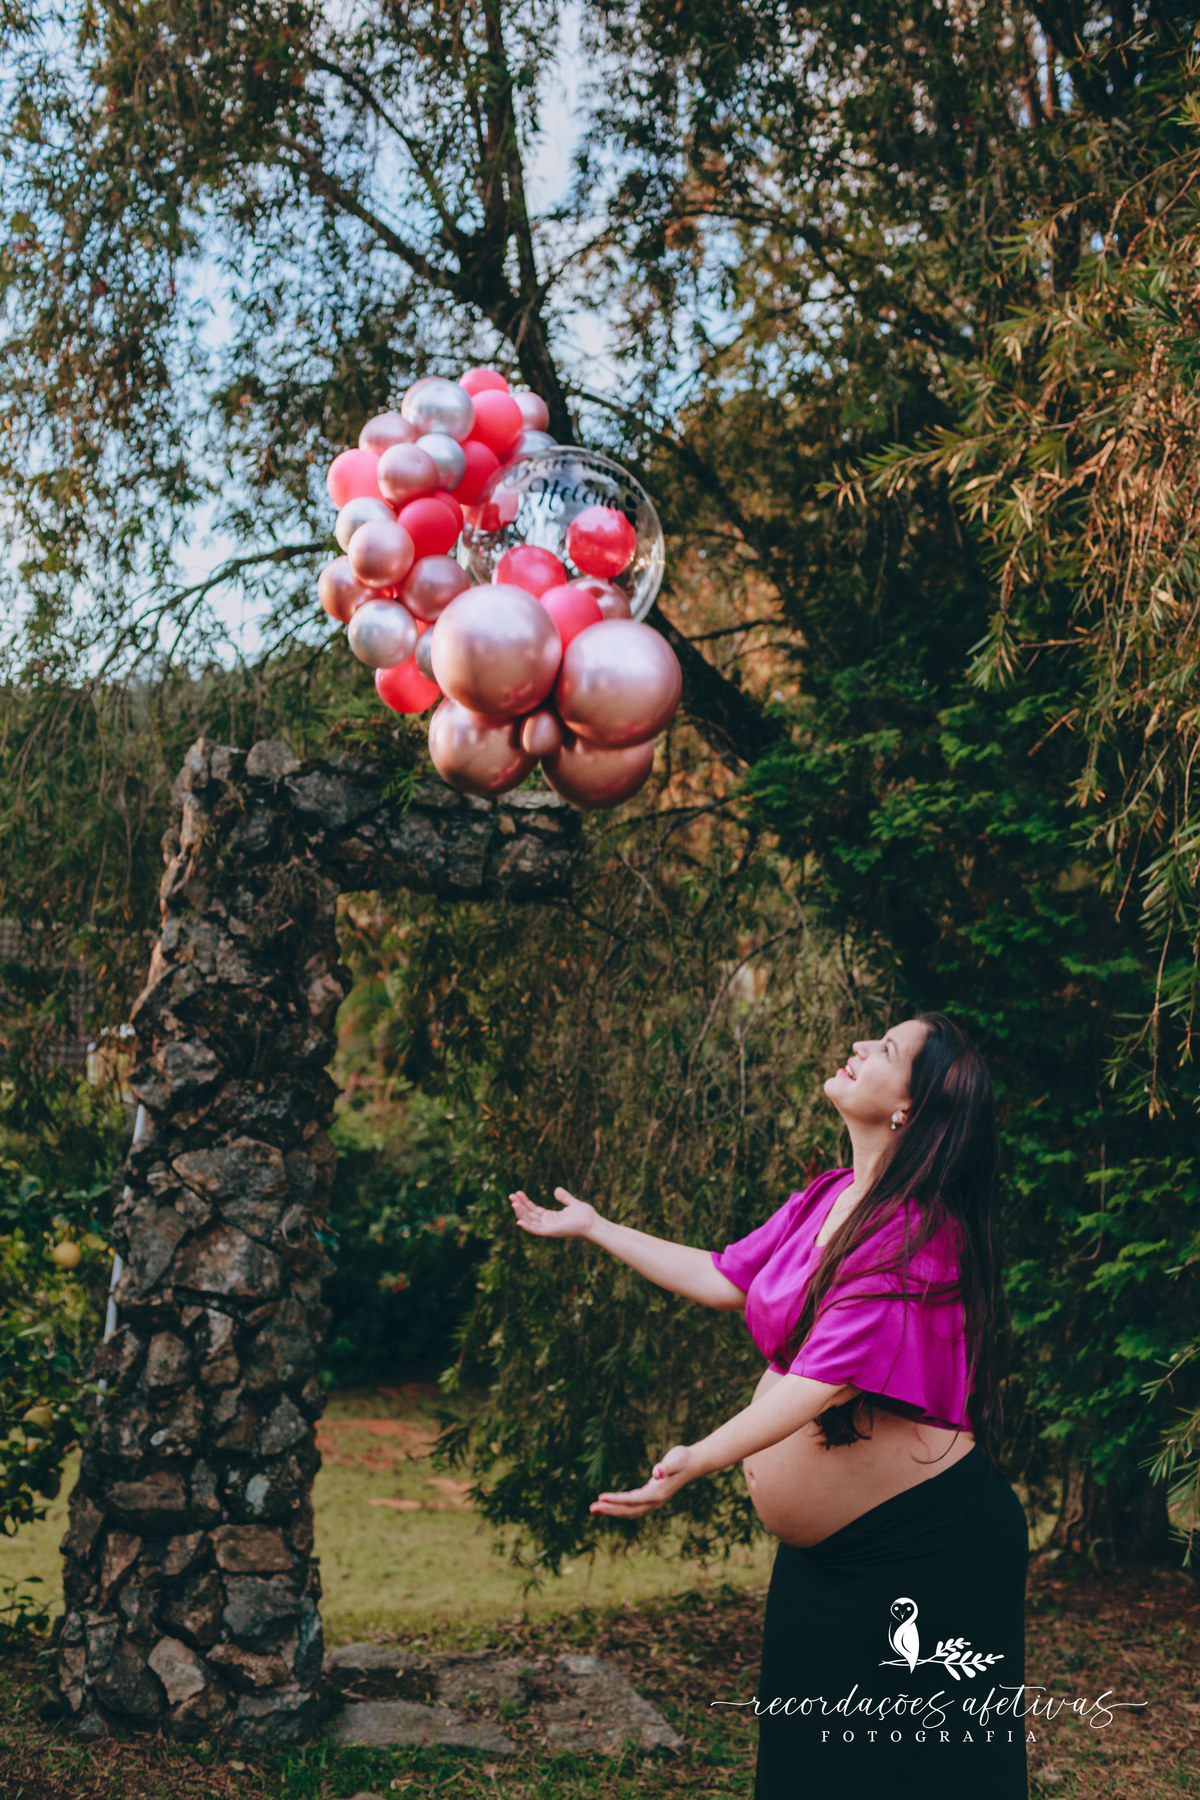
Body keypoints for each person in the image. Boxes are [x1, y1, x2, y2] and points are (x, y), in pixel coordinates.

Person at [509, 1012, 1029, 1799]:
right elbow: (725, 1277)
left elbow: (824, 1381)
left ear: (909, 1112)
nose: (858, 1046)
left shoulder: (920, 1233)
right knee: (808, 1768)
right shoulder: (830, 1197)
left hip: (927, 1550)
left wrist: (700, 1457)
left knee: (916, 1778)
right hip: (827, 1557)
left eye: (884, 1049)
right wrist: (597, 1228)